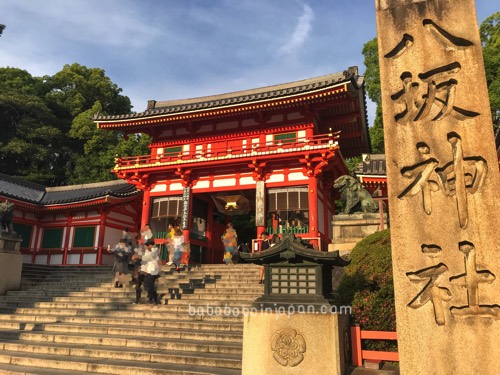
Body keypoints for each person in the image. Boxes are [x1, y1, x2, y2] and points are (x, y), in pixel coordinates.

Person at [141, 239, 161, 305]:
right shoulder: (147, 252)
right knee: (148, 284)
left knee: (150, 284)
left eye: (148, 245)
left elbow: (153, 258)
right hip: (149, 270)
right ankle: (153, 297)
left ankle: (153, 298)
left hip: (153, 270)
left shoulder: (154, 251)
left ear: (150, 245)